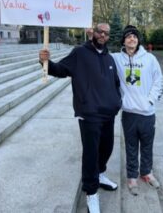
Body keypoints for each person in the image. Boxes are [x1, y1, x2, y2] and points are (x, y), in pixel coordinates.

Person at [39, 23, 121, 213]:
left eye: (106, 33)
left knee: (106, 149)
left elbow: (115, 83)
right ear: (93, 32)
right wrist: (46, 62)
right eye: (100, 31)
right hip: (89, 114)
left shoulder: (109, 57)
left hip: (108, 114)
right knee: (91, 154)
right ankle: (91, 192)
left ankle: (100, 175)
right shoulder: (79, 53)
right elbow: (60, 70)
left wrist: (116, 101)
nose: (103, 35)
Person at [111, 25, 163, 196]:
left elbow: (158, 82)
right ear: (123, 40)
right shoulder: (116, 58)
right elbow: (98, 55)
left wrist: (150, 101)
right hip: (129, 113)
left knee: (147, 146)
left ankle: (146, 172)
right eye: (128, 36)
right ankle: (132, 177)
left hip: (147, 113)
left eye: (134, 36)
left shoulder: (150, 59)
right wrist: (90, 37)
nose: (131, 39)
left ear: (138, 40)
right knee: (131, 147)